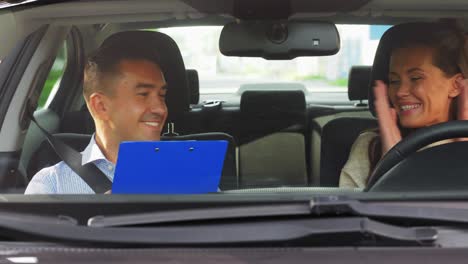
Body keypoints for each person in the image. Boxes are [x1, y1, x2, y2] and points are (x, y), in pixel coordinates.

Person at [25, 35, 168, 194]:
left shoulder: (194, 173)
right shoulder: (52, 185)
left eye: (162, 96)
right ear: (101, 106)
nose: (161, 109)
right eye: (143, 94)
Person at [339, 21, 468, 188]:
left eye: (415, 78)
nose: (400, 92)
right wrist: (390, 163)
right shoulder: (372, 146)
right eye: (394, 81)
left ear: (456, 86)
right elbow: (349, 211)